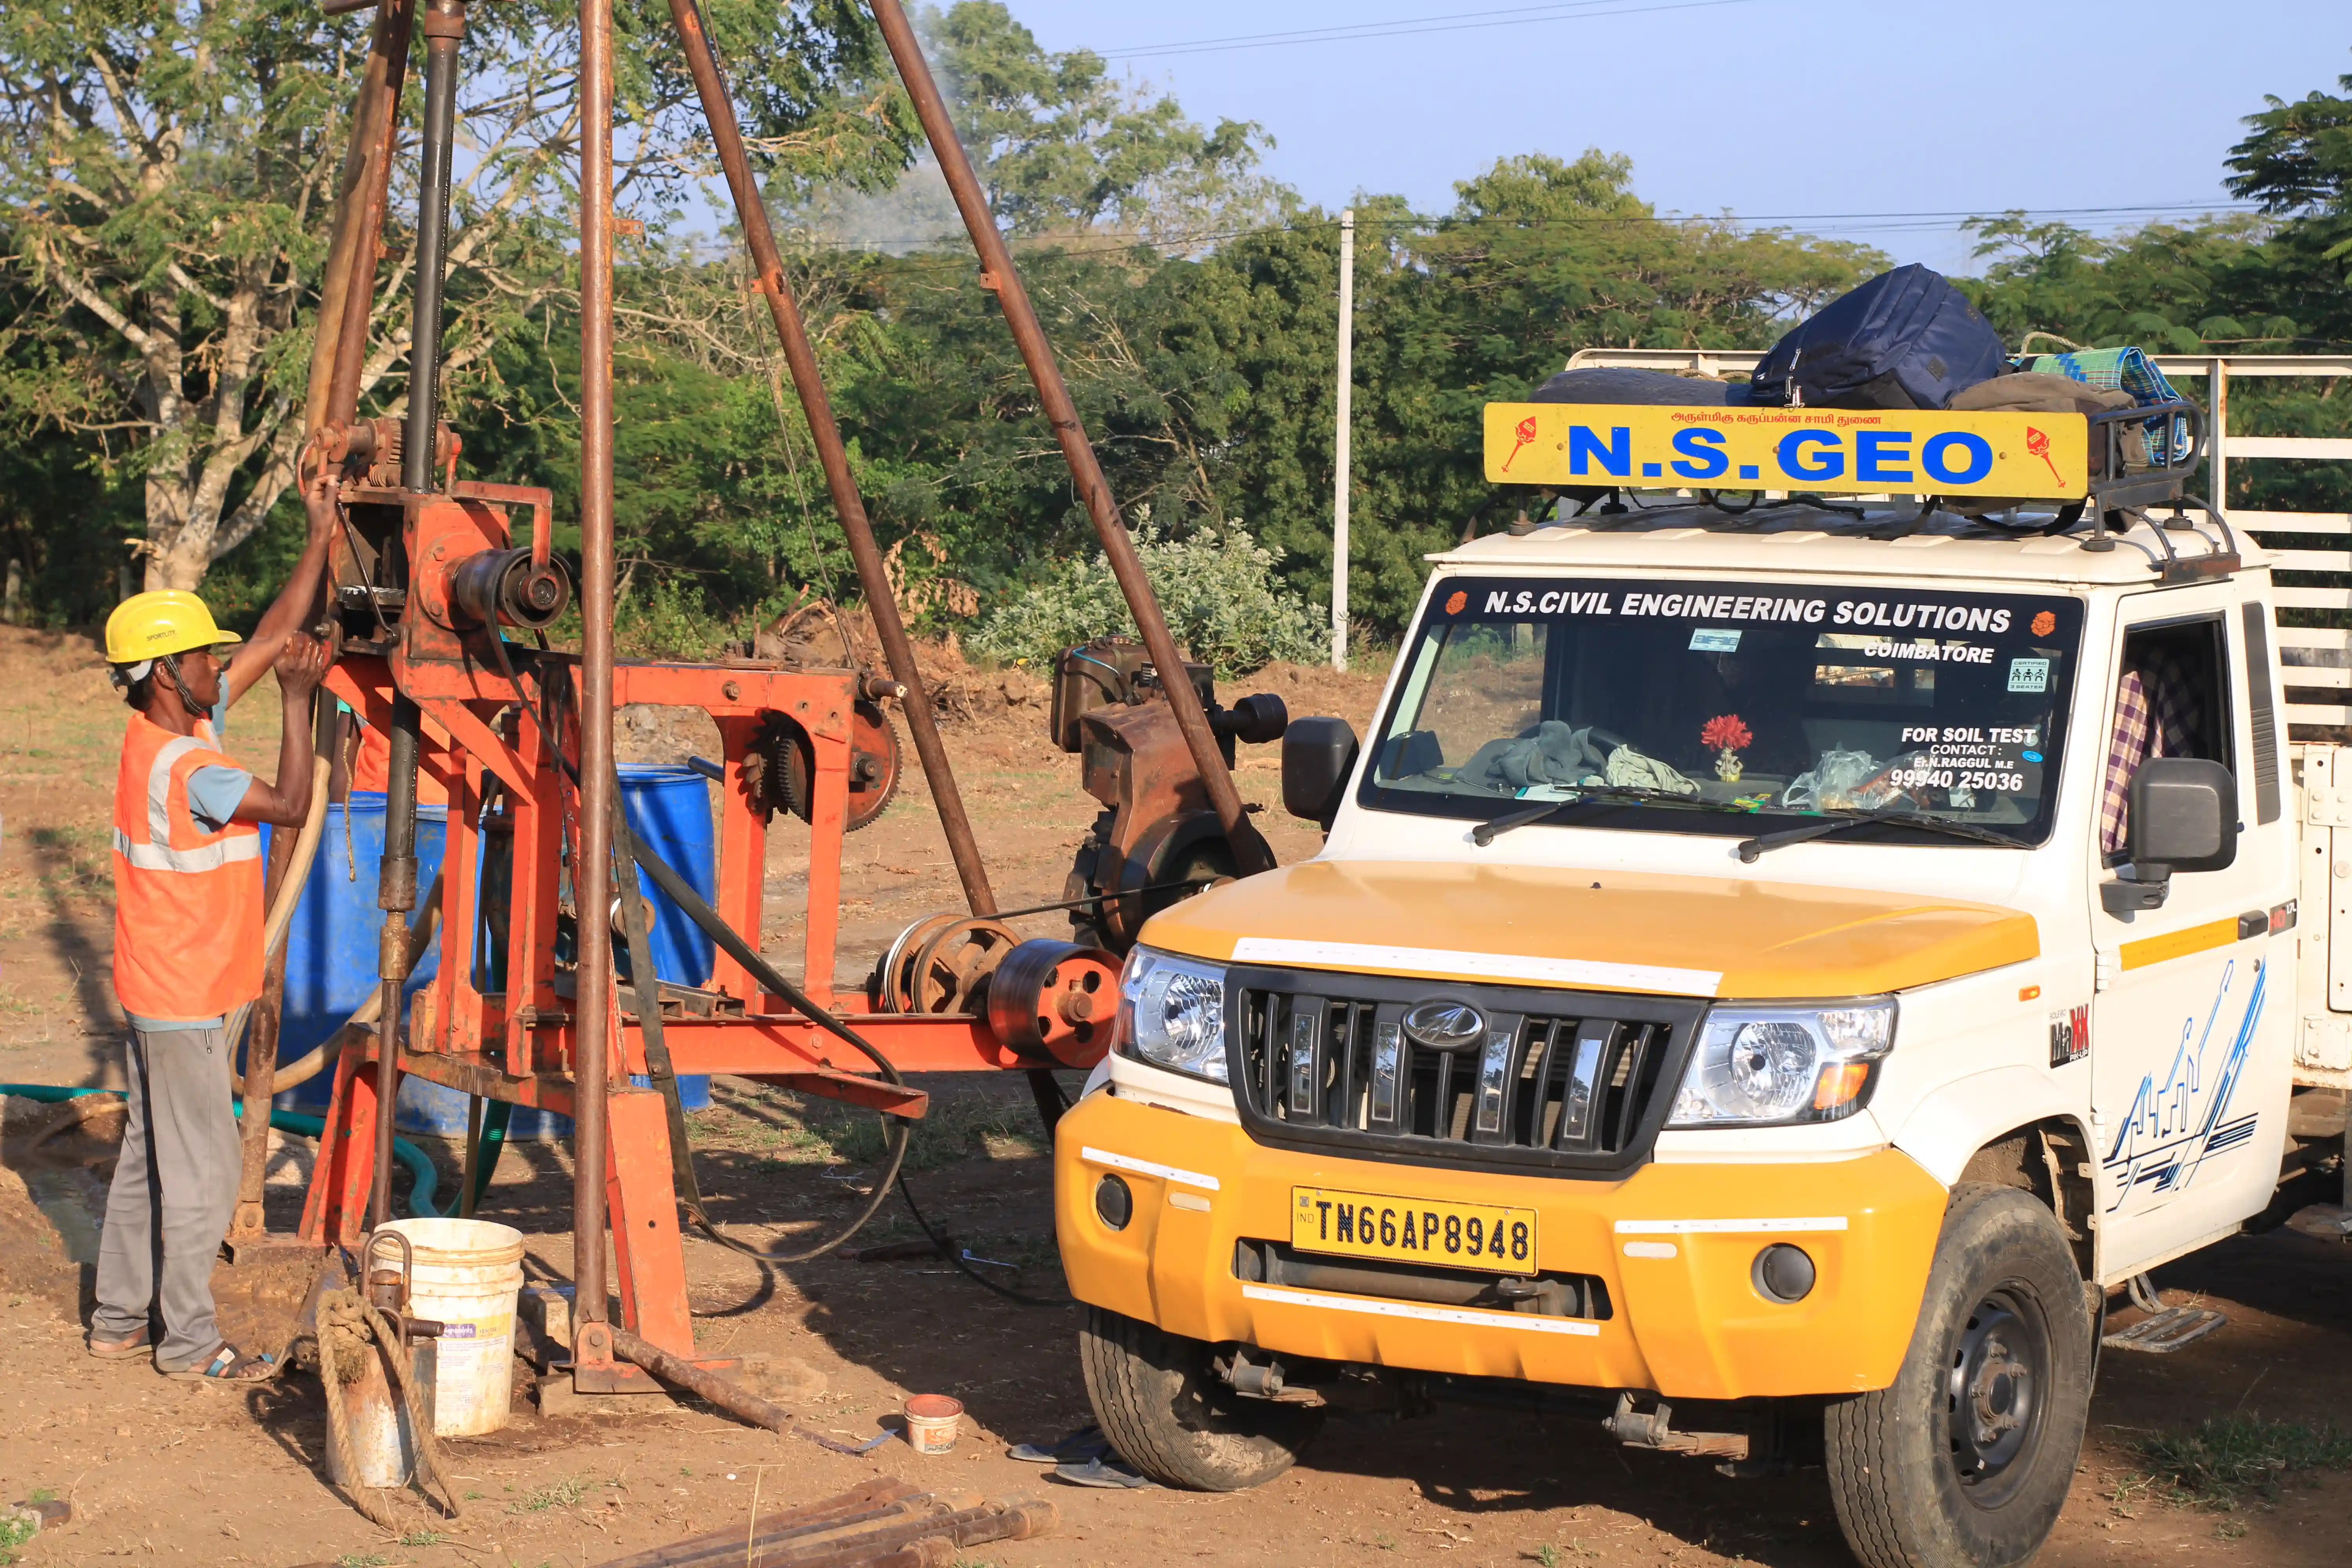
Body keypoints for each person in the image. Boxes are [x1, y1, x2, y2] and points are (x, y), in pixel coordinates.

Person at [87, 465, 341, 1381]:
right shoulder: (195, 770)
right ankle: (190, 1344)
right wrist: (301, 703)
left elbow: (274, 635)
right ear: (165, 672)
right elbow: (288, 799)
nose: (215, 665)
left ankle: (119, 1318)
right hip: (191, 997)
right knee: (198, 1174)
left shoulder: (161, 734)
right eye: (202, 658)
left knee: (150, 1152)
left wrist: (319, 532)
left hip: (165, 986)